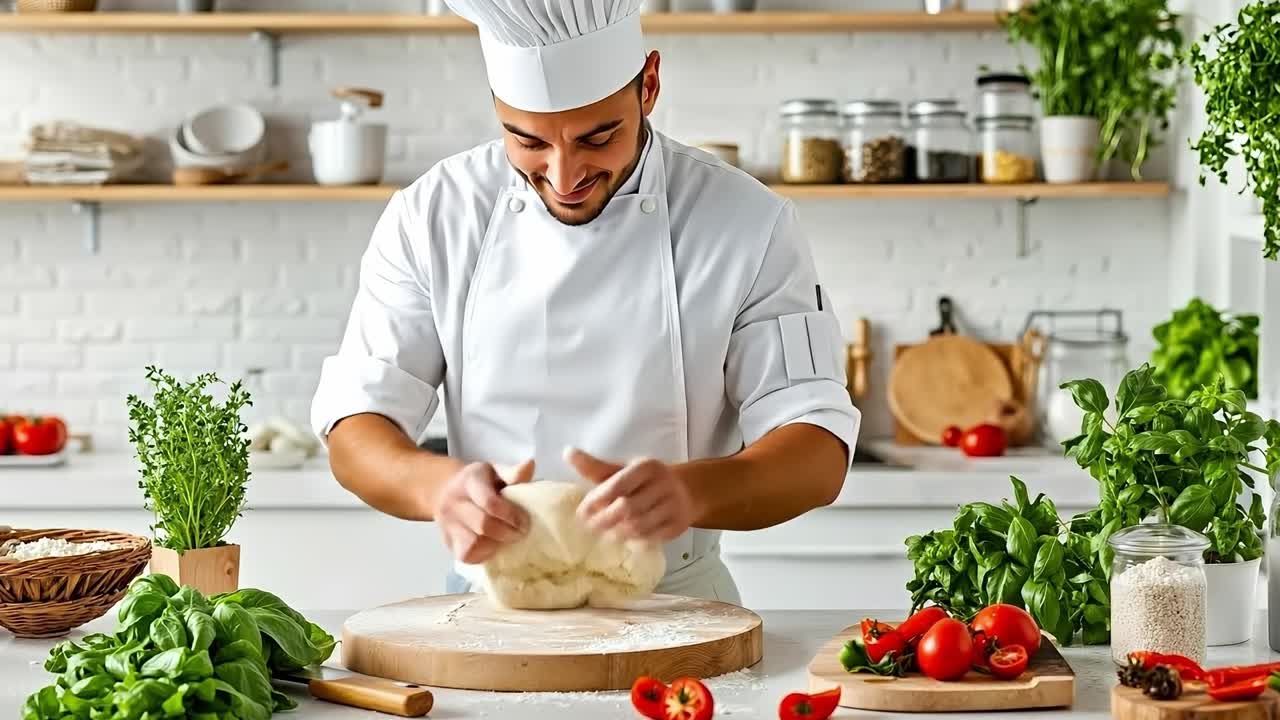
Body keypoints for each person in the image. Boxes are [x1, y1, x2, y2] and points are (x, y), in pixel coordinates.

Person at [309, 0, 861, 604]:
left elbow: (815, 451)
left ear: (648, 85)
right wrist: (435, 488)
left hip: (680, 605)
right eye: (527, 141)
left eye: (597, 137)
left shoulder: (748, 223)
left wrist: (692, 493)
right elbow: (357, 428)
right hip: (491, 603)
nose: (563, 174)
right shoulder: (433, 215)